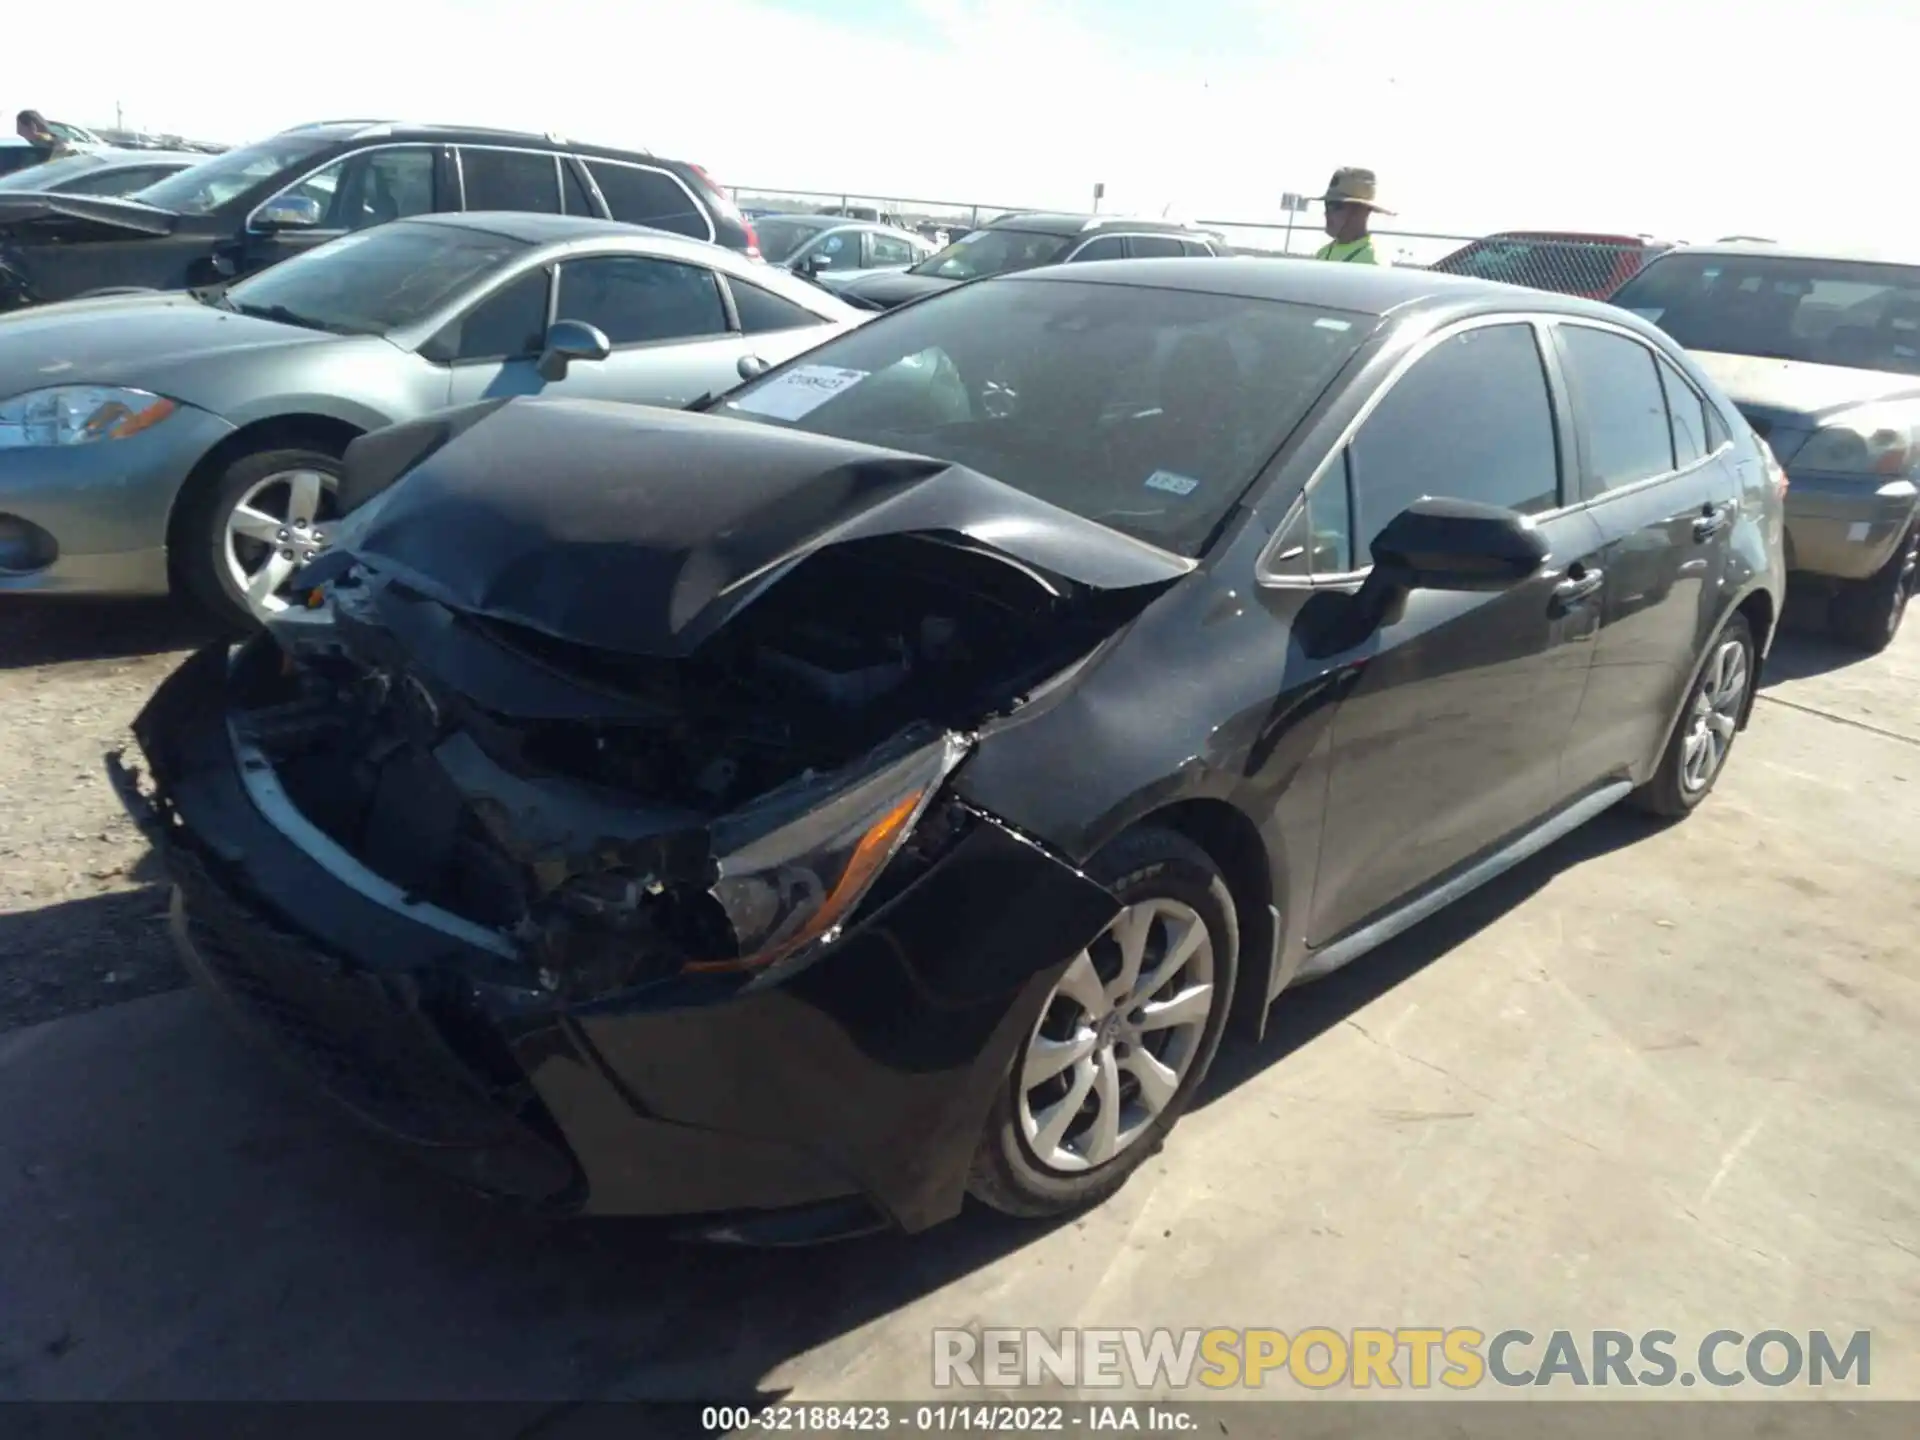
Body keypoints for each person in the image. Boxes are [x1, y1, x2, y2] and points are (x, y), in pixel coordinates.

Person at [1313, 167, 1391, 265]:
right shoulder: (1322, 254)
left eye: (1335, 206)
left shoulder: (1372, 262)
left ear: (1361, 210)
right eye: (1326, 205)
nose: (1327, 213)